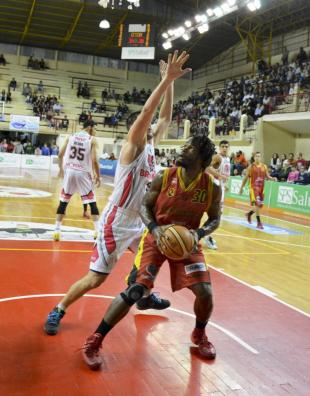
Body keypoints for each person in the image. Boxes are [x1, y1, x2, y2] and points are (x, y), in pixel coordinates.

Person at [44, 51, 190, 336]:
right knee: (95, 279)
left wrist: (169, 81)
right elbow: (149, 113)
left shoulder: (151, 144)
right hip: (117, 221)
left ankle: (144, 297)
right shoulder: (132, 146)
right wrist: (164, 82)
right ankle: (58, 309)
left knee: (157, 254)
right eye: (144, 124)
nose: (151, 126)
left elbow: (165, 116)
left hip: (141, 221)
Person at [81, 134, 221, 370]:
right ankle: (94, 341)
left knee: (205, 292)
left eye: (189, 148)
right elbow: (145, 207)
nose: (182, 148)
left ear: (202, 157)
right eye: (183, 144)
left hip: (187, 241)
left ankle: (199, 334)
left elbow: (215, 219)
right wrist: (156, 230)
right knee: (136, 290)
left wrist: (198, 234)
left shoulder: (212, 187)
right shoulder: (164, 176)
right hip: (156, 238)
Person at [52, 119, 100, 242]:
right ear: (90, 127)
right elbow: (94, 160)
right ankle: (97, 232)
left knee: (63, 201)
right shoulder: (92, 140)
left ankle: (57, 231)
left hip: (70, 171)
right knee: (92, 202)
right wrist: (98, 176)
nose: (95, 131)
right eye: (95, 128)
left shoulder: (71, 136)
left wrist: (60, 169)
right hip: (83, 173)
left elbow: (60, 155)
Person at [204, 140, 230, 250]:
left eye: (226, 146)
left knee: (217, 216)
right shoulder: (217, 157)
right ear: (219, 147)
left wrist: (225, 184)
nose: (224, 148)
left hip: (221, 187)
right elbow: (206, 168)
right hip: (215, 188)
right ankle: (206, 236)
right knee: (216, 217)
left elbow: (225, 174)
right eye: (223, 146)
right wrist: (219, 176)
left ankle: (205, 234)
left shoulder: (227, 158)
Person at [239, 152, 276, 229]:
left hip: (261, 188)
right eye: (256, 156)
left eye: (259, 156)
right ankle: (259, 222)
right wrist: (241, 188)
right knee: (257, 204)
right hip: (253, 188)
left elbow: (267, 176)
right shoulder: (250, 167)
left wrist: (272, 178)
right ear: (254, 157)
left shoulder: (264, 166)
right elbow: (245, 178)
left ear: (260, 157)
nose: (258, 158)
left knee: (259, 206)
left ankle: (249, 214)